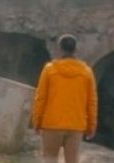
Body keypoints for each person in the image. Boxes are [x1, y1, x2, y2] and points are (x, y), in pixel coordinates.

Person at [31, 34, 98, 163]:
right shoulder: (86, 72)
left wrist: (37, 121)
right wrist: (91, 126)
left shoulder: (49, 70)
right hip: (76, 124)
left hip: (51, 123)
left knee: (50, 158)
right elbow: (92, 102)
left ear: (59, 49)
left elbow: (41, 97)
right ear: (76, 49)